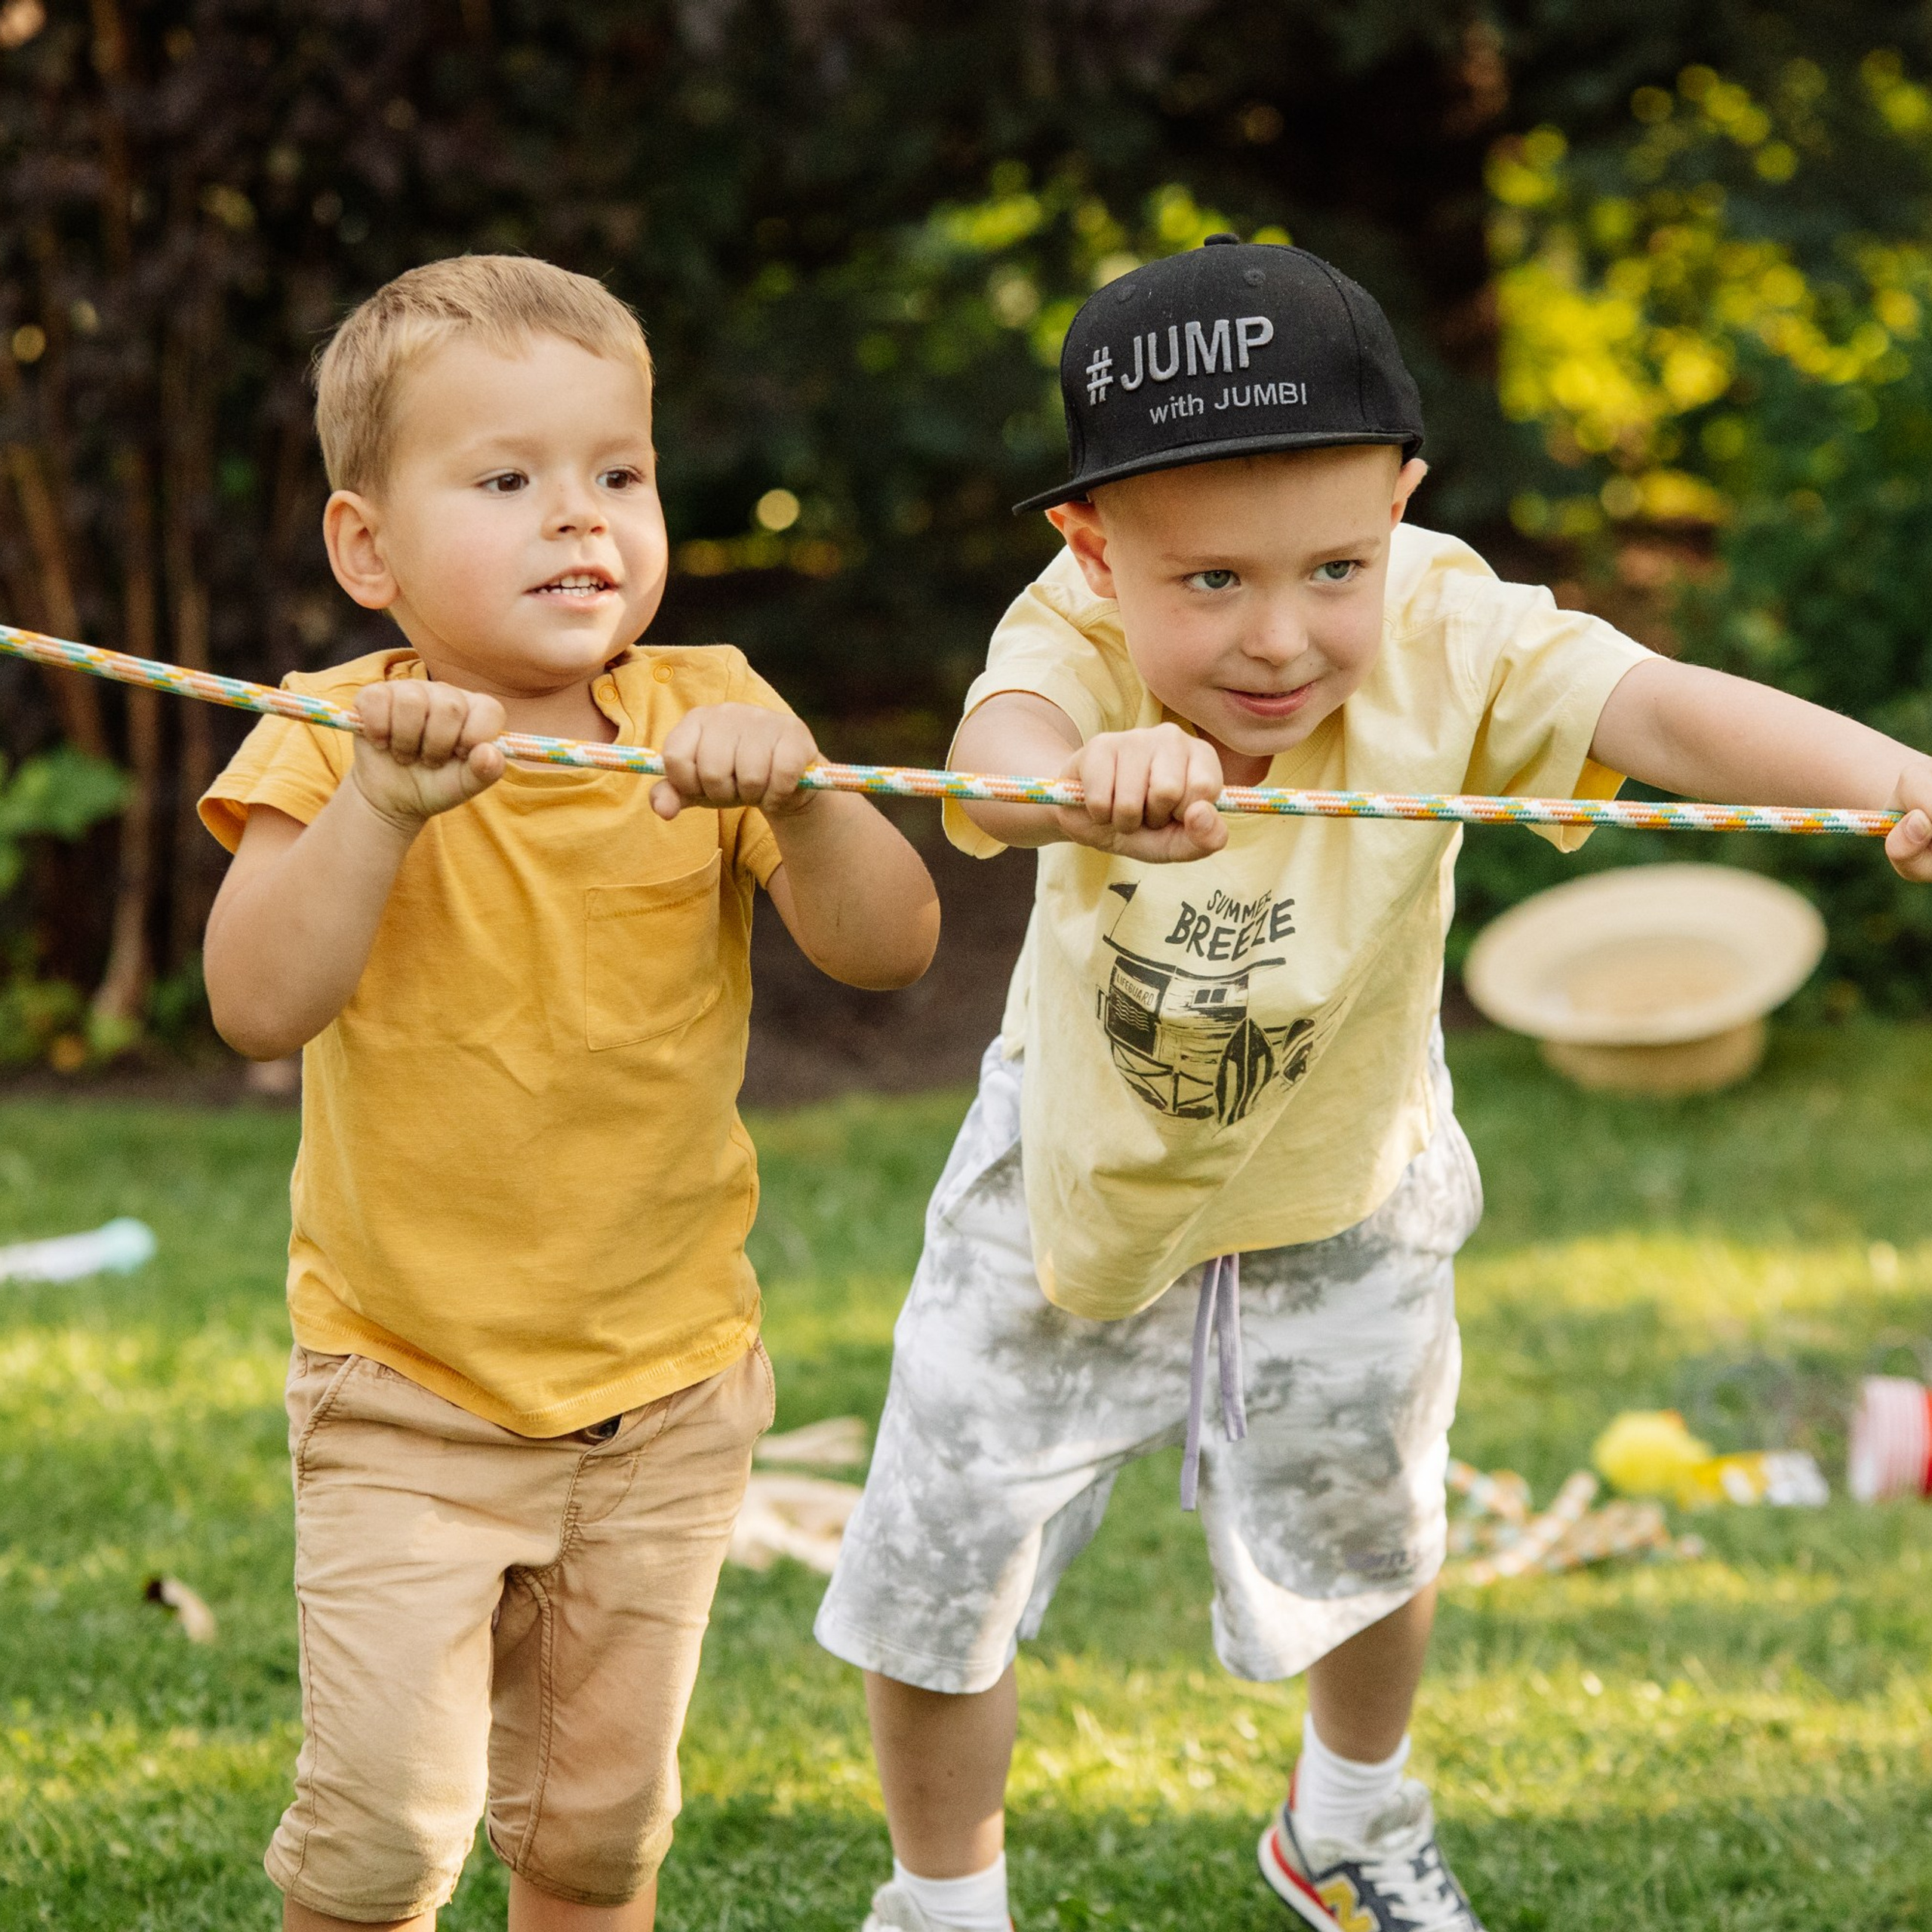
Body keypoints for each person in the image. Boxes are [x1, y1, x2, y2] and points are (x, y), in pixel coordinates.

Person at [814, 234, 1932, 1932]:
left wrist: (1893, 773)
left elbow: (1668, 711)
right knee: (935, 1563)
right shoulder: (1067, 629)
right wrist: (1081, 776)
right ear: (1094, 547)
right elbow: (996, 760)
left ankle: (1346, 1816)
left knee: (1372, 1534)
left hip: (1346, 1191)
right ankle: (941, 1898)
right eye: (1208, 583)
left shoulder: (1450, 621)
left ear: (1402, 502)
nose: (1279, 637)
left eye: (1334, 565)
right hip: (1068, 1187)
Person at [199, 255, 940, 1932]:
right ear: (365, 546)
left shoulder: (711, 715)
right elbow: (256, 995)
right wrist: (386, 808)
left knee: (595, 1836)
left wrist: (808, 803)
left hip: (664, 1395)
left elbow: (889, 947)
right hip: (405, 1389)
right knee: (385, 1834)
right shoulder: (330, 737)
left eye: (618, 472)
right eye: (507, 478)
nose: (578, 520)